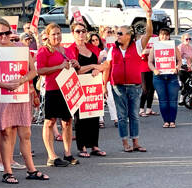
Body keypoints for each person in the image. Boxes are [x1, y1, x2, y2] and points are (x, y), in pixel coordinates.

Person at [0, 17, 49, 183]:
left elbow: (33, 71)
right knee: (7, 133)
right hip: (3, 96)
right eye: (0, 34)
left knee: (25, 133)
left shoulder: (21, 47)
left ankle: (31, 169)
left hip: (21, 95)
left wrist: (20, 81)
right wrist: (3, 84)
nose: (4, 37)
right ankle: (7, 172)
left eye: (7, 33)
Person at [103, 9, 153, 152]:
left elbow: (148, 33)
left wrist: (148, 17)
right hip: (118, 87)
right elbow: (107, 66)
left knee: (134, 115)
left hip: (135, 86)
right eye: (116, 33)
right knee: (122, 115)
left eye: (120, 33)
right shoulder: (113, 50)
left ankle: (136, 142)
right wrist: (104, 85)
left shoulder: (137, 46)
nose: (117, 36)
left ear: (128, 36)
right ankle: (125, 143)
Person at [36, 23, 79, 167]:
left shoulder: (67, 50)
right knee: (50, 122)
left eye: (59, 33)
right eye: (53, 34)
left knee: (67, 121)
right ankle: (51, 156)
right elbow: (40, 71)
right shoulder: (44, 51)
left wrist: (75, 63)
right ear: (47, 35)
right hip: (52, 89)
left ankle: (67, 153)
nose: (57, 36)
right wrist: (58, 67)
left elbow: (75, 68)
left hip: (67, 89)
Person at [65, 22, 107, 158]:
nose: (81, 34)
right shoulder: (70, 49)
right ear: (72, 33)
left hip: (93, 86)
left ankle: (94, 145)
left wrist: (97, 68)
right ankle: (82, 146)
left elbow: (104, 65)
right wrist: (93, 66)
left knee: (94, 114)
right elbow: (77, 70)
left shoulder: (92, 47)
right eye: (78, 31)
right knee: (80, 117)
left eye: (83, 31)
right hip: (78, 86)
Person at [148, 27, 182, 128]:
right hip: (159, 77)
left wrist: (177, 68)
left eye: (166, 35)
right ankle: (166, 120)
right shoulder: (155, 47)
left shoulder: (173, 46)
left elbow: (179, 60)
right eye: (162, 34)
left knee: (172, 100)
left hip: (172, 76)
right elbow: (150, 62)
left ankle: (172, 121)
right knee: (163, 100)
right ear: (159, 36)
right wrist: (154, 69)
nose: (164, 37)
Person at [139, 35, 158, 117]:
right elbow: (142, 54)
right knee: (145, 90)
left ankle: (149, 109)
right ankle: (141, 109)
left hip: (153, 68)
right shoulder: (142, 39)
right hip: (143, 69)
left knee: (152, 89)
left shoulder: (155, 38)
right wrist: (149, 51)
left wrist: (149, 51)